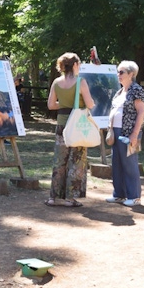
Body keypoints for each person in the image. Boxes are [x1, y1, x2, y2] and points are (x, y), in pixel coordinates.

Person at [45, 52, 95, 207]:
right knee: (76, 161)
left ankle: (53, 197)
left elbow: (51, 105)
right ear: (75, 65)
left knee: (59, 160)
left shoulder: (56, 82)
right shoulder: (81, 82)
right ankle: (70, 198)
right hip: (77, 125)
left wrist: (64, 105)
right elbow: (90, 104)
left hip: (61, 124)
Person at [106, 61, 144, 207]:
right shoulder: (120, 91)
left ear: (131, 74)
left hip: (128, 132)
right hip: (116, 131)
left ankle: (134, 196)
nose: (118, 75)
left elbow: (141, 112)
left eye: (121, 72)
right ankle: (119, 195)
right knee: (116, 164)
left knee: (129, 164)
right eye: (118, 72)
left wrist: (135, 134)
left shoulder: (136, 90)